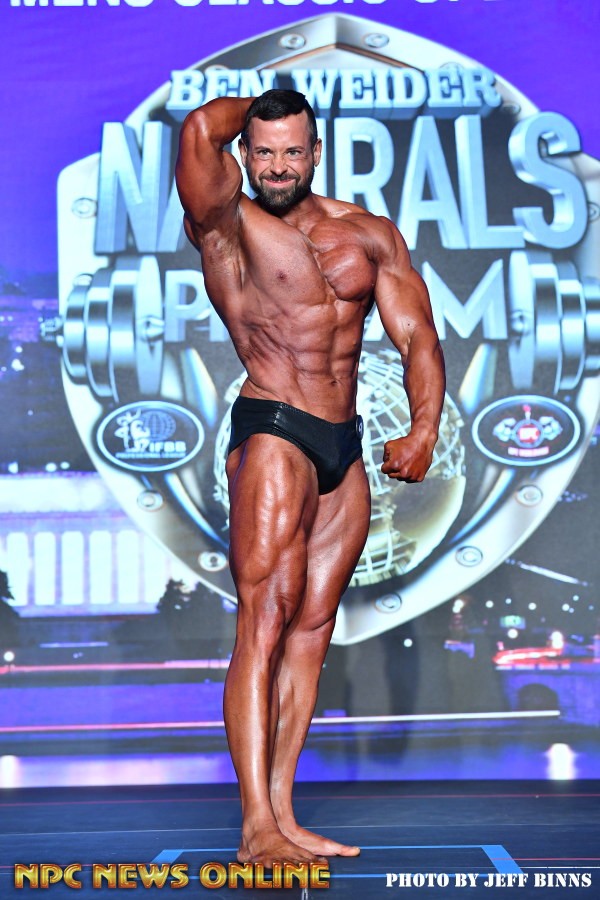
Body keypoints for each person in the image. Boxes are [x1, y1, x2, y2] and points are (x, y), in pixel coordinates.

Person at [175, 90, 445, 868]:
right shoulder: (224, 223)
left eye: (292, 151)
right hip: (274, 426)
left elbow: (416, 333)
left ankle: (284, 817)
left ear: (316, 153)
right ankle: (254, 824)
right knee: (264, 619)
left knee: (312, 631)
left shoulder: (367, 233)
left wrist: (425, 425)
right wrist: (262, 98)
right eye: (263, 151)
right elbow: (199, 129)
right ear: (246, 154)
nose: (278, 166)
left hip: (342, 444)